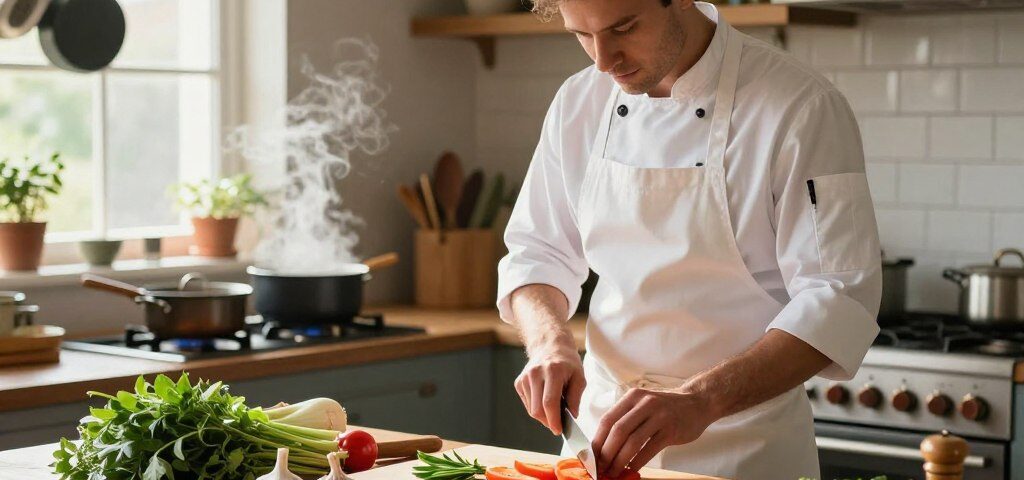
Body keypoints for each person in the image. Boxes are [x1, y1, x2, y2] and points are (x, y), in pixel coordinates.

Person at [496, 1, 882, 478]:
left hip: (746, 452)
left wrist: (699, 400)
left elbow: (839, 297)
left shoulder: (800, 106)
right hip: (601, 447)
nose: (603, 60)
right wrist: (549, 343)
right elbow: (537, 254)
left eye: (624, 28)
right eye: (582, 34)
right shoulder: (578, 103)